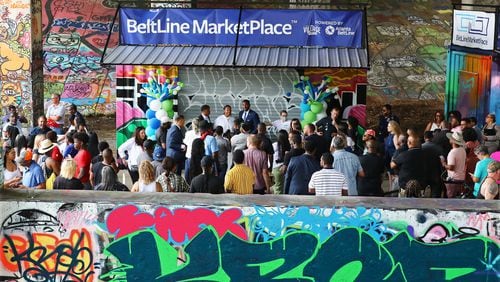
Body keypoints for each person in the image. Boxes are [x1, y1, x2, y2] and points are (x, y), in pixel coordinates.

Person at [442, 131, 467, 198]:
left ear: (453, 141)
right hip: (461, 177)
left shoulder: (452, 153)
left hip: (453, 179)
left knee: (451, 197)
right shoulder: (462, 150)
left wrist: (444, 164)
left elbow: (451, 167)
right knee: (458, 197)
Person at [271, 130, 290, 194]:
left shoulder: (274, 145)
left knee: (277, 188)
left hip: (276, 168)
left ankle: (278, 203)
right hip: (287, 168)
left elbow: (270, 156)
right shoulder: (289, 145)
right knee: (285, 187)